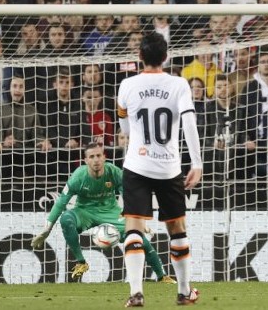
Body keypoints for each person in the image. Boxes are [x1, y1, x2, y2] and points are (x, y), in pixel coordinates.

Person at [117, 33, 202, 307]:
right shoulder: (179, 84)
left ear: (139, 56)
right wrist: (197, 162)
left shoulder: (127, 85)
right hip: (168, 168)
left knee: (134, 228)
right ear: (166, 57)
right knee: (177, 228)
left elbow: (125, 129)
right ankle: (184, 291)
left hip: (137, 165)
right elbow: (189, 124)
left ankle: (136, 292)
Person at [30, 143, 175, 283]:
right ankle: (81, 262)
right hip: (85, 212)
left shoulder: (113, 172)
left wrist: (137, 219)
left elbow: (129, 195)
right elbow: (61, 202)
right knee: (66, 219)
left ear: (104, 157)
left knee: (139, 238)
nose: (96, 160)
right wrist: (47, 229)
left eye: (98, 155)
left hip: (111, 212)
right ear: (86, 160)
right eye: (91, 156)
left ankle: (162, 277)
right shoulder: (78, 177)